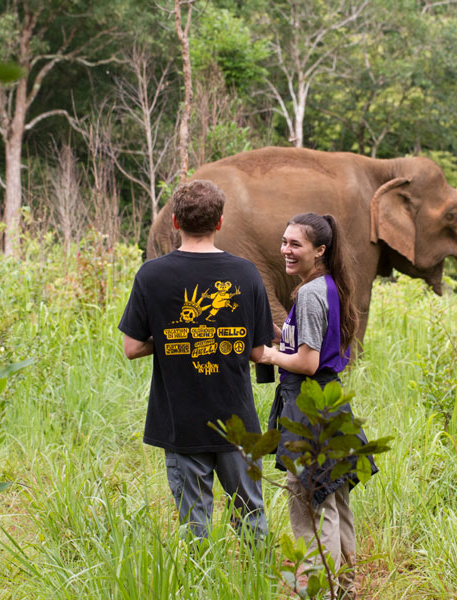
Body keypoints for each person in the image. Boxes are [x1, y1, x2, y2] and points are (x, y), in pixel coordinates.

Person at [118, 179, 273, 541]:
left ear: (174, 222)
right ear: (220, 223)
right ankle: (257, 587)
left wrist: (175, 335)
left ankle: (198, 588)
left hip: (181, 421)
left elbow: (132, 347)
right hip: (237, 421)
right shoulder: (246, 273)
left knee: (194, 523)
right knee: (250, 516)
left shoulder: (151, 274)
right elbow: (256, 351)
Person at [257, 212, 377, 599]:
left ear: (320, 250)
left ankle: (318, 592)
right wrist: (277, 335)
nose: (285, 250)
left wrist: (268, 355)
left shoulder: (309, 294)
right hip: (330, 404)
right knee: (334, 502)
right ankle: (345, 589)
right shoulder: (327, 285)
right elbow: (312, 344)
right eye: (284, 241)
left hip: (308, 407)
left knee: (311, 507)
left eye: (296, 244)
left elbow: (307, 363)